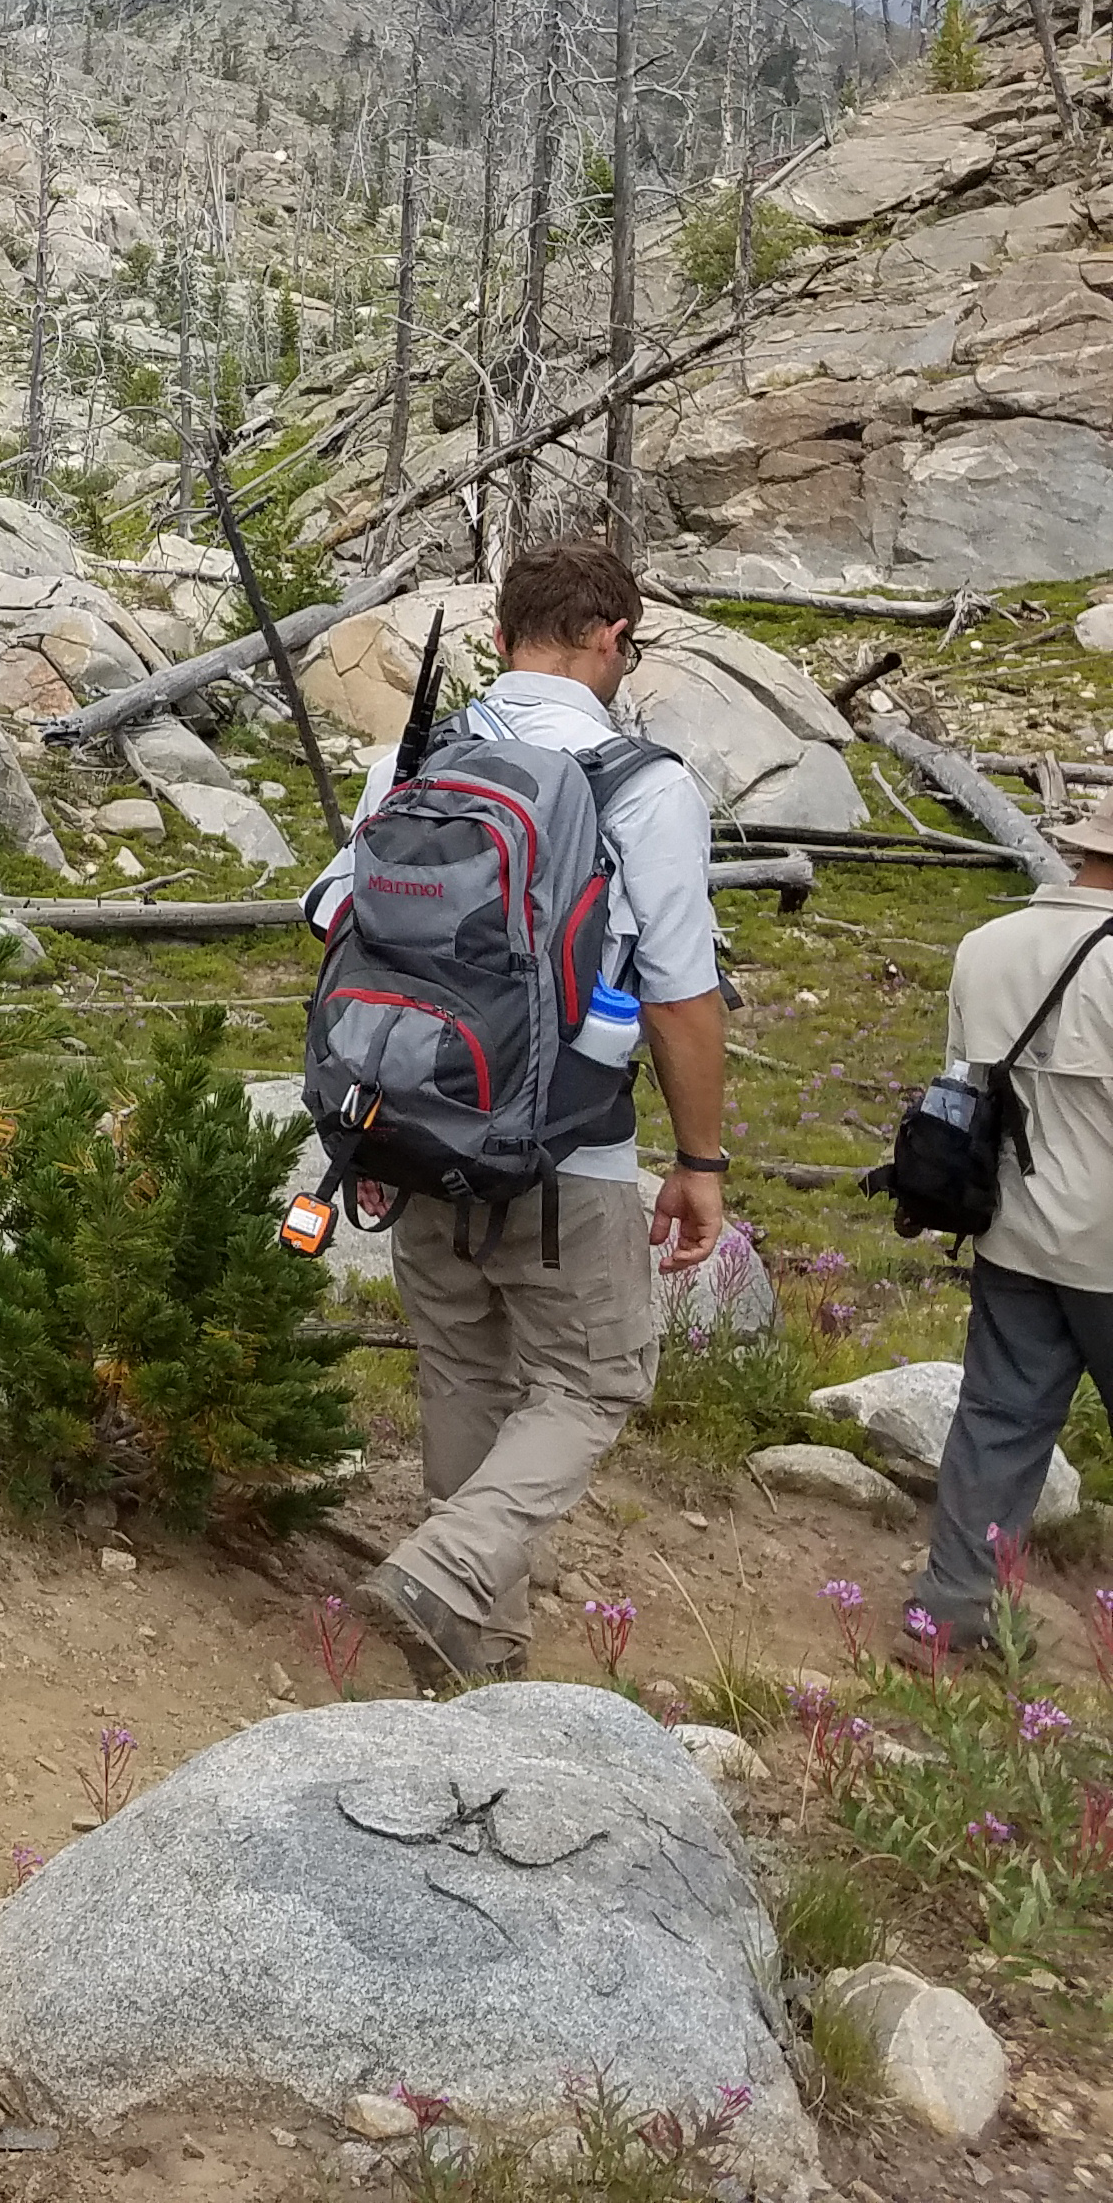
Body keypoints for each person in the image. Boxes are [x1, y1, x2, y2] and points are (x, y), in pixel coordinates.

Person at [304, 541, 733, 1683]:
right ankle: (450, 1578)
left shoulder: (423, 759)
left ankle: (470, 1665)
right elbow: (682, 994)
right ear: (612, 639)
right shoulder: (641, 783)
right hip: (566, 1148)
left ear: (500, 639)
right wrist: (701, 1158)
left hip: (411, 1120)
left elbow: (338, 916)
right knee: (595, 1377)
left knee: (463, 1375)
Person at [900, 796, 1113, 1656]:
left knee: (997, 1417)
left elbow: (965, 1083)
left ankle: (948, 1611)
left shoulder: (984, 948)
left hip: (1015, 1228)